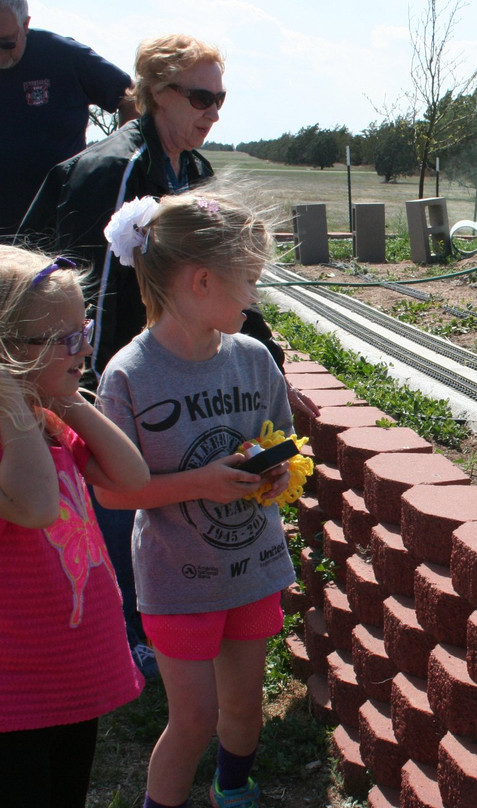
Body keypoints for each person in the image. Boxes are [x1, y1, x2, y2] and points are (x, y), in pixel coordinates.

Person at [20, 33, 317, 677]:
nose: (214, 111)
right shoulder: (115, 171)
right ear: (156, 94)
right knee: (123, 493)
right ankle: (134, 630)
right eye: (201, 97)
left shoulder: (196, 173)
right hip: (120, 364)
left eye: (222, 98)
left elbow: (228, 274)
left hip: (174, 355)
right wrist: (84, 388)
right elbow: (81, 288)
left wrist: (263, 350)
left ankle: (159, 623)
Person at [95, 189, 296, 808]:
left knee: (243, 708)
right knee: (193, 720)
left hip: (252, 568)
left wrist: (279, 475)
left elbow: (283, 441)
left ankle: (232, 788)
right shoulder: (128, 374)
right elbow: (111, 489)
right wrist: (200, 483)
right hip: (178, 580)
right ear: (203, 280)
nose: (256, 298)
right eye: (251, 281)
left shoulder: (254, 358)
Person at [0, 245, 148, 806]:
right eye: (64, 339)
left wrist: (72, 402)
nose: (84, 347)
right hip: (12, 689)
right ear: (6, 354)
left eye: (83, 328)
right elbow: (36, 507)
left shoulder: (51, 420)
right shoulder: (17, 432)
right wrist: (13, 401)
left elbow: (129, 478)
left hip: (67, 676)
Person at [0, 0, 136, 240]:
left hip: (56, 223)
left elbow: (130, 98)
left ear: (26, 25)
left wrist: (115, 163)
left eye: (7, 42)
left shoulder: (63, 55)